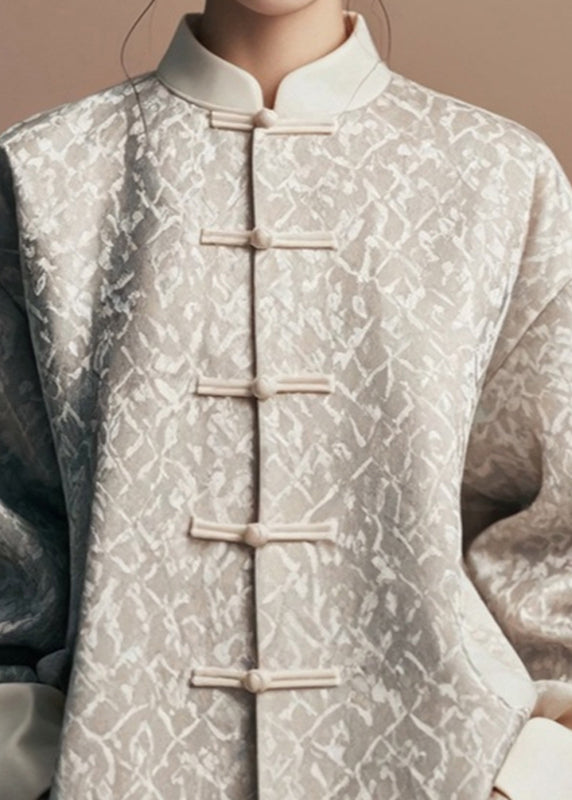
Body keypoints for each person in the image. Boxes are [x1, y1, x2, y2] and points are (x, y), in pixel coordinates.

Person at [0, 0, 571, 797]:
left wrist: (536, 775)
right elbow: (14, 527)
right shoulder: (44, 172)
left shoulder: (498, 177)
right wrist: (26, 764)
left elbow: (553, 533)